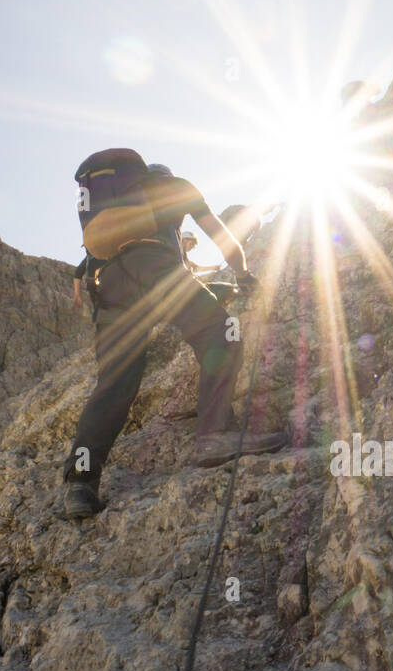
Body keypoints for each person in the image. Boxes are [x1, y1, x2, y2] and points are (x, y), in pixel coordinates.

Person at [63, 154, 285, 521]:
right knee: (220, 332)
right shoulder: (176, 187)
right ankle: (214, 433)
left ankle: (80, 484)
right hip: (158, 271)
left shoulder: (116, 209)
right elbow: (221, 237)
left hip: (111, 292)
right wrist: (243, 275)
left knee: (114, 385)